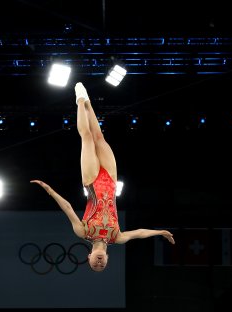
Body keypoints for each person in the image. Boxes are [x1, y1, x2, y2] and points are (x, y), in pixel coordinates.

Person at [31, 81, 174, 272]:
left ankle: (80, 101)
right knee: (99, 137)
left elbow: (68, 208)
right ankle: (88, 103)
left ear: (89, 256)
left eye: (94, 264)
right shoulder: (118, 237)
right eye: (102, 264)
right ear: (107, 258)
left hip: (91, 181)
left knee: (88, 138)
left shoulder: (83, 232)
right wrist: (160, 232)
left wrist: (49, 191)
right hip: (111, 181)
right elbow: (140, 233)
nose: (99, 262)